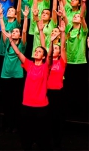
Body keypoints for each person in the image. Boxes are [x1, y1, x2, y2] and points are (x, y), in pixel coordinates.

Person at [3, 31, 53, 150]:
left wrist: (51, 41)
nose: (36, 52)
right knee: (26, 132)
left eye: (39, 51)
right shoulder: (29, 64)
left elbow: (50, 57)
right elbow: (18, 52)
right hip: (27, 104)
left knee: (41, 132)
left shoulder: (45, 67)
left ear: (44, 56)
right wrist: (10, 40)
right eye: (36, 50)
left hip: (41, 105)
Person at [0, 2, 29, 132]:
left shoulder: (22, 44)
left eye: (17, 31)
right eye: (13, 31)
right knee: (7, 101)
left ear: (20, 35)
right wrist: (0, 15)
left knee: (17, 101)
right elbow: (3, 29)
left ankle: (16, 124)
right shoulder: (7, 43)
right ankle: (8, 123)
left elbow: (25, 30)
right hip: (5, 75)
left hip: (17, 76)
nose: (15, 32)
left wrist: (26, 17)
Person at [45, 19, 67, 150]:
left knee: (57, 118)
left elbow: (63, 46)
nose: (55, 49)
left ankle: (57, 142)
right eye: (54, 48)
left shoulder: (62, 61)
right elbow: (48, 53)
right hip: (46, 93)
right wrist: (52, 42)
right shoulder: (48, 61)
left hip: (58, 93)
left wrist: (62, 34)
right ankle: (47, 141)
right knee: (47, 118)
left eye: (57, 49)